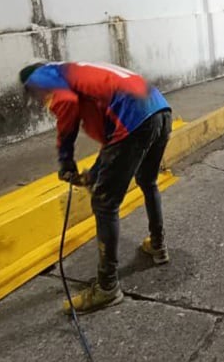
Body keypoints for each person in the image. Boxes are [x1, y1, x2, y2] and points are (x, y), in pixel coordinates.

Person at [20, 61, 173, 313]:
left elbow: (67, 104)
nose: (40, 99)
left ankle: (107, 287)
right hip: (159, 109)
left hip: (134, 117)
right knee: (147, 181)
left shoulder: (46, 75)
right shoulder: (81, 71)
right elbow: (114, 140)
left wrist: (66, 158)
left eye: (35, 93)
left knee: (104, 204)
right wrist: (95, 173)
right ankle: (158, 244)